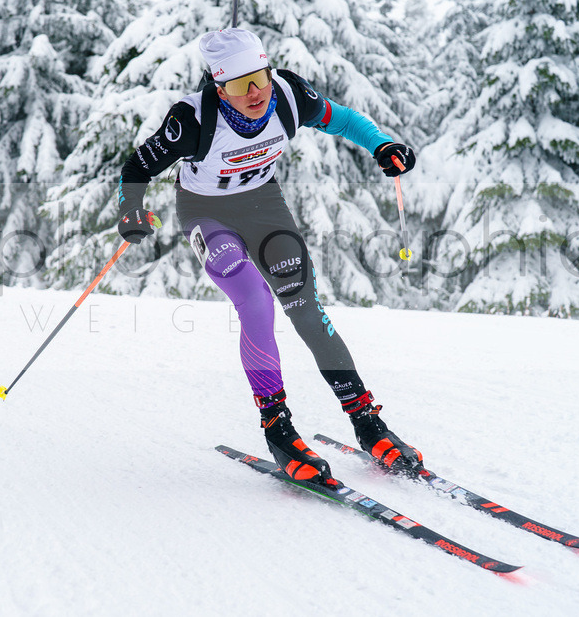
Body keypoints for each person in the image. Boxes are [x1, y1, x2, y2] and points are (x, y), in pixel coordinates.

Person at [116, 28, 422, 486]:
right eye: (240, 85)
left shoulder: (289, 96)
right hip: (205, 213)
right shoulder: (192, 120)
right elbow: (138, 167)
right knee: (255, 300)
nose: (256, 92)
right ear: (219, 88)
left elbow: (342, 120)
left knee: (307, 310)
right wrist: (131, 210)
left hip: (264, 206)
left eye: (259, 77)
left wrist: (382, 144)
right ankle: (278, 428)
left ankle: (367, 422)